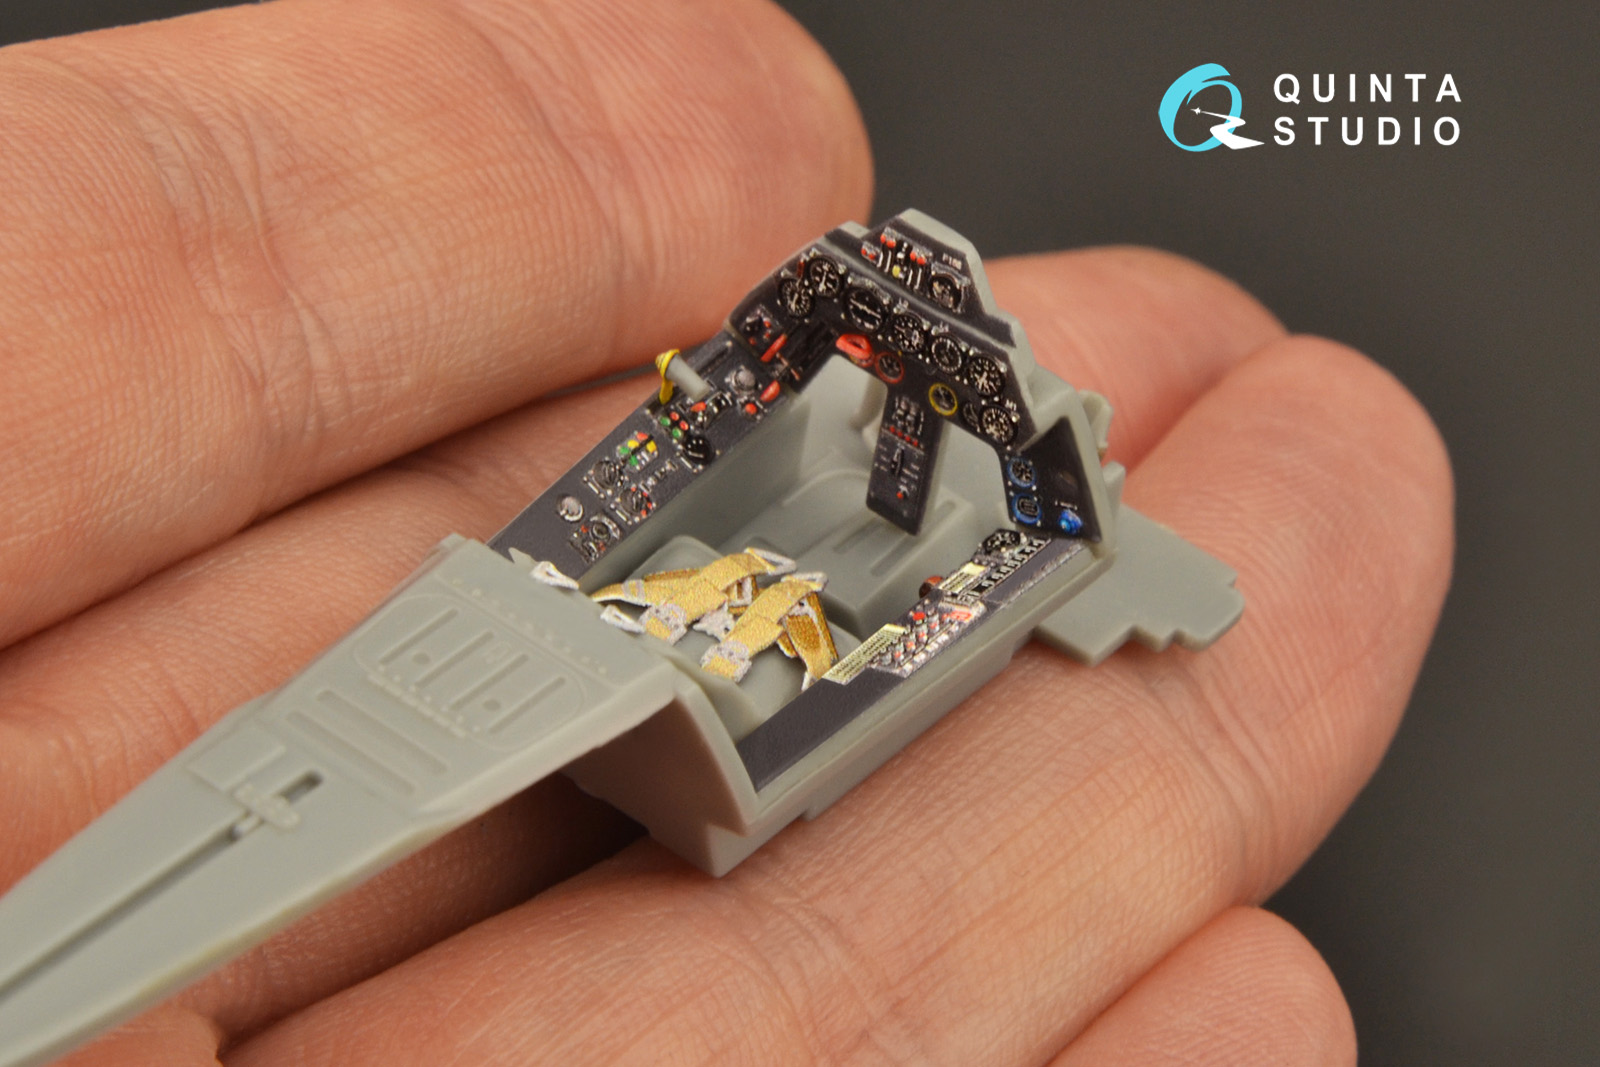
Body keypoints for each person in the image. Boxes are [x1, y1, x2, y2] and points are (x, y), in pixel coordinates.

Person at [0, 0, 1452, 1063]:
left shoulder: (936, 521)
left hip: (725, 648)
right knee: (310, 766)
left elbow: (906, 539)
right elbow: (741, 404)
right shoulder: (789, 418)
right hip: (638, 619)